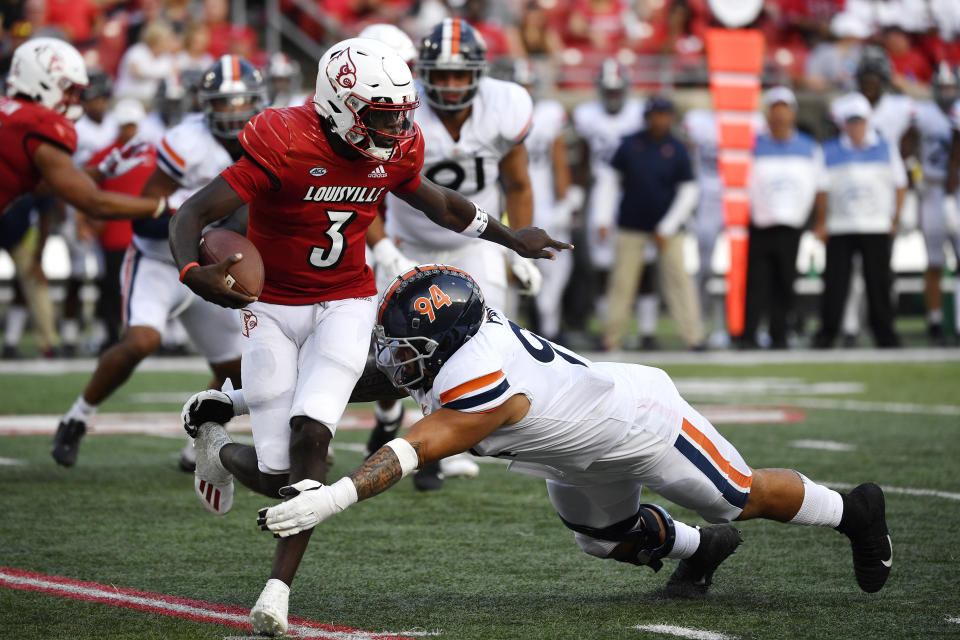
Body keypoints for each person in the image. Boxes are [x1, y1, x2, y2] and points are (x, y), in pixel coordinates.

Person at [170, 38, 568, 637]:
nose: (396, 126)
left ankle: (276, 591)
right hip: (271, 304)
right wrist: (191, 270)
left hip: (346, 299)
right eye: (382, 114)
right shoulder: (284, 139)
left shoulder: (394, 145)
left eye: (400, 113)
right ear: (337, 104)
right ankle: (215, 437)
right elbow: (191, 216)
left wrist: (511, 238)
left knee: (315, 436)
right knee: (279, 477)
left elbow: (438, 204)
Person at [244, 264, 892, 600]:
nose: (393, 357)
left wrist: (329, 499)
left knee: (738, 496)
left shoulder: (478, 376)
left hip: (641, 423)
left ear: (443, 343)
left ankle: (853, 511)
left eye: (407, 346)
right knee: (601, 541)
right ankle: (703, 551)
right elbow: (393, 380)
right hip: (577, 451)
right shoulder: (457, 347)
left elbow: (414, 447)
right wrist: (243, 397)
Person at [52, 55, 264, 470]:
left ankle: (200, 441)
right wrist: (185, 220)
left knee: (238, 369)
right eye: (223, 102)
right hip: (158, 259)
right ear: (205, 104)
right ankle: (77, 417)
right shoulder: (186, 142)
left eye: (241, 102)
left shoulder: (266, 139)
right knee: (141, 342)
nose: (234, 112)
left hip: (215, 263)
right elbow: (148, 211)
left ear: (258, 102)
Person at [365, 19, 542, 491]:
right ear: (421, 71)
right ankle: (396, 425)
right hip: (409, 239)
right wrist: (381, 245)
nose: (448, 84)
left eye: (458, 74)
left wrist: (516, 248)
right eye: (439, 74)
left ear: (478, 72)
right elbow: (362, 185)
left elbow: (518, 183)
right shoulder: (399, 105)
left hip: (474, 240)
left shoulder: (504, 105)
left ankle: (447, 441)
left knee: (486, 344)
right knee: (396, 345)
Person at [0, 37, 166, 221]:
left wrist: (99, 171)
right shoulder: (41, 125)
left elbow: (43, 185)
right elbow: (95, 203)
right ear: (43, 81)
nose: (74, 99)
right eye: (69, 88)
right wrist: (161, 206)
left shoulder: (9, 109)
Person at [603, 96, 703, 351]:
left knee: (679, 281)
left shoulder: (678, 148)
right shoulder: (630, 144)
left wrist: (667, 227)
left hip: (668, 230)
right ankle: (611, 338)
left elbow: (689, 190)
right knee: (622, 283)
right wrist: (602, 217)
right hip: (632, 223)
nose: (660, 120)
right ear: (647, 117)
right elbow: (610, 182)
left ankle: (694, 337)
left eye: (664, 114)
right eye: (655, 115)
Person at [813, 93, 906, 349]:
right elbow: (821, 189)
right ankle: (827, 334)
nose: (855, 126)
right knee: (835, 283)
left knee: (879, 283)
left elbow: (900, 185)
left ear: (867, 121)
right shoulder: (829, 149)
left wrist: (893, 218)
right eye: (851, 121)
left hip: (876, 224)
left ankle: (885, 334)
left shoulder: (886, 147)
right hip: (840, 225)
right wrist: (822, 223)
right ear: (843, 123)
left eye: (859, 121)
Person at [743, 87, 825, 350]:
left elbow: (819, 186)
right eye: (775, 110)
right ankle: (749, 334)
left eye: (784, 110)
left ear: (793, 114)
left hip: (792, 225)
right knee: (756, 283)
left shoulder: (808, 147)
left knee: (785, 282)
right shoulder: (753, 145)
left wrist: (819, 221)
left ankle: (780, 334)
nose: (779, 116)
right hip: (759, 224)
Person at [914, 63, 960, 344]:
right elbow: (907, 144)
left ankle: (956, 323)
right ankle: (933, 321)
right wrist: (913, 171)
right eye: (941, 87)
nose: (946, 93)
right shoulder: (922, 114)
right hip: (931, 189)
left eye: (950, 87)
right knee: (933, 260)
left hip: (957, 192)